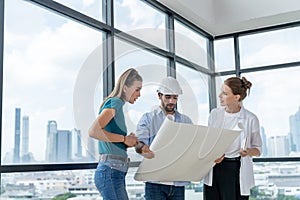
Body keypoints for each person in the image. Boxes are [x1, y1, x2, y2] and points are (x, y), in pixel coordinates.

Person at [203, 76, 262, 200]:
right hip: (214, 167)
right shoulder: (214, 114)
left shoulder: (251, 119)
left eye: (225, 93)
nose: (220, 96)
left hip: (235, 169)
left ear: (237, 97)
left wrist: (248, 152)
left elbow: (258, 149)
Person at [135, 76, 193, 200]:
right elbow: (139, 142)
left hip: (178, 183)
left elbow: (192, 146)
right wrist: (142, 148)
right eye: (168, 97)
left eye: (175, 97)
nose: (172, 101)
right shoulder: (148, 119)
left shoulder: (186, 121)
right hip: (155, 183)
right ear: (159, 96)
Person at [89, 68, 142, 200]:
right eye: (137, 89)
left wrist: (129, 142)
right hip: (110, 172)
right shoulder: (116, 102)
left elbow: (109, 138)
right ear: (125, 88)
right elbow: (93, 131)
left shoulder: (116, 105)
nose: (139, 94)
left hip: (114, 172)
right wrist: (124, 139)